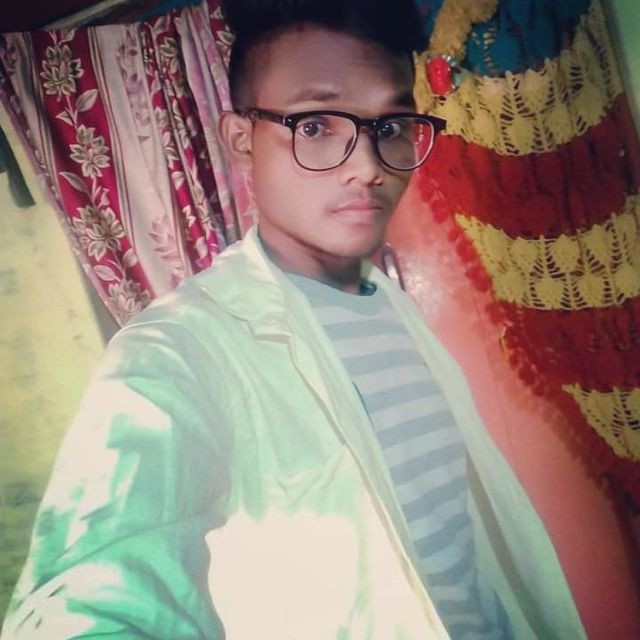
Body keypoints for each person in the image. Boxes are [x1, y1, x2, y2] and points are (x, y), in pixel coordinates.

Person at [2, 1, 587, 638]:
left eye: (391, 126)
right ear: (240, 141)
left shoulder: (388, 304)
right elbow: (92, 593)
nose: (368, 167)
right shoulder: (178, 351)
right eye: (314, 126)